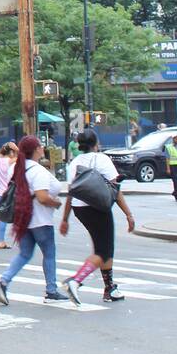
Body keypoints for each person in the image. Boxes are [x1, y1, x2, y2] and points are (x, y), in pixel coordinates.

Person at [0, 135, 69, 306]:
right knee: (49, 253)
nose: (42, 148)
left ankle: (3, 282)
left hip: (23, 219)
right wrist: (56, 203)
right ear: (36, 150)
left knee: (25, 253)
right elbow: (42, 197)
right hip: (40, 219)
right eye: (40, 146)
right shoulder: (38, 171)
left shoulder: (16, 168)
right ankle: (51, 291)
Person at [60, 129, 135, 304]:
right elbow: (115, 190)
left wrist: (65, 219)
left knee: (103, 246)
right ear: (96, 143)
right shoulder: (102, 159)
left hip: (80, 209)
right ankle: (76, 280)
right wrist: (128, 214)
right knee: (103, 251)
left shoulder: (75, 163)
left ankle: (110, 288)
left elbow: (71, 192)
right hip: (99, 208)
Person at [0, 142, 18, 249]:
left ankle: (0, 241)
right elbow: (22, 155)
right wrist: (16, 148)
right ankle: (21, 240)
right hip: (9, 195)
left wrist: (7, 146)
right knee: (19, 218)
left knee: (2, 218)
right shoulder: (11, 161)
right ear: (11, 152)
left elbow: (1, 152)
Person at [163, 133, 177, 203]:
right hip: (172, 166)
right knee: (176, 181)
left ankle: (175, 191)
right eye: (175, 138)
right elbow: (167, 158)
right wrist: (168, 168)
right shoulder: (168, 147)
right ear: (173, 139)